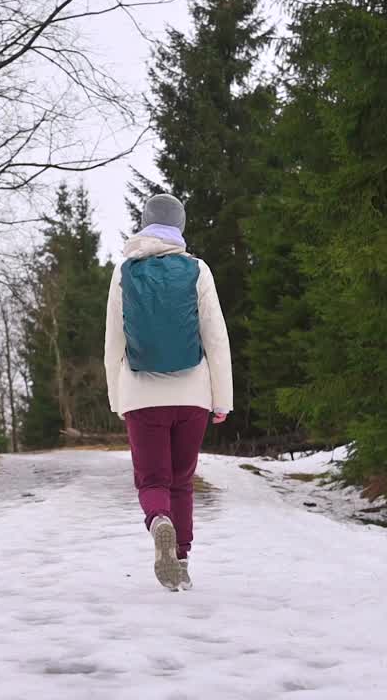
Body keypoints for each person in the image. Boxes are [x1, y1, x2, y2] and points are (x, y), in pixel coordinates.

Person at [104, 194, 232, 591]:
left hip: (142, 396)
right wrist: (222, 399)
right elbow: (216, 337)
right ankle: (181, 559)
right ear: (180, 226)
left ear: (144, 223)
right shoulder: (197, 269)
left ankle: (159, 521)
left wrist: (117, 398)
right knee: (182, 480)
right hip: (193, 393)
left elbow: (113, 341)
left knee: (153, 480)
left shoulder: (124, 271)